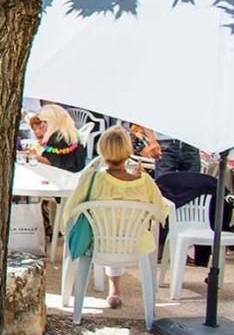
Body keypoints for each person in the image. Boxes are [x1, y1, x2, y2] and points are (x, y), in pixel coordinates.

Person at [60, 127, 167, 309]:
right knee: (125, 227)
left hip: (99, 244)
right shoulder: (145, 182)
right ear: (129, 151)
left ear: (102, 150)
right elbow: (162, 212)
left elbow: (70, 210)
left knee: (104, 227)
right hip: (135, 246)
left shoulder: (92, 179)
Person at [31, 104, 86, 171]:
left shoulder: (56, 138)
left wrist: (33, 156)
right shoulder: (71, 133)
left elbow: (51, 163)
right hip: (76, 172)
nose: (42, 124)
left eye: (43, 122)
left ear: (51, 121)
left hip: (62, 175)